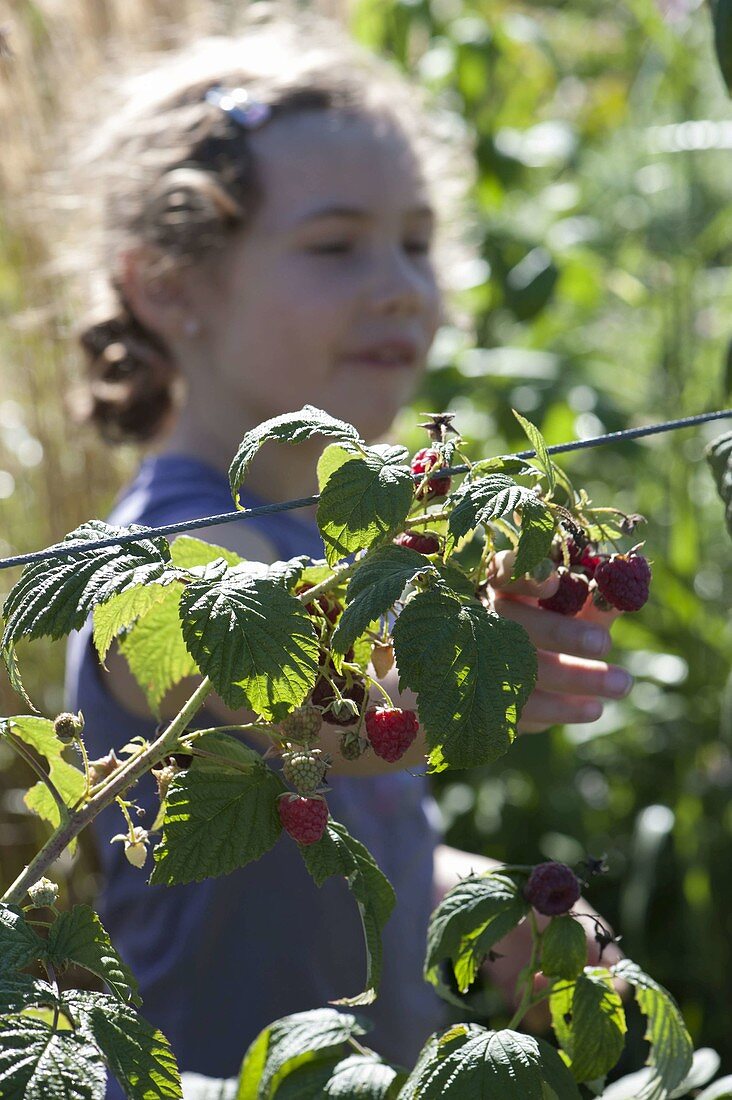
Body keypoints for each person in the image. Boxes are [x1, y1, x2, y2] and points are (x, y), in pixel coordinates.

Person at [61, 9, 632, 1093]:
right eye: (334, 245)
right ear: (168, 286)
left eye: (416, 242)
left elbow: (355, 824)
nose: (400, 285)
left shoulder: (359, 538)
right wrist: (450, 669)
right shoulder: (151, 553)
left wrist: (503, 903)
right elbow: (298, 719)